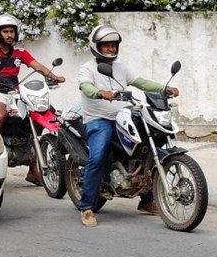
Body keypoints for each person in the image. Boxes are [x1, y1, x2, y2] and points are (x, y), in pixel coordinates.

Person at [76, 24, 178, 228]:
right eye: (106, 45)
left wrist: (164, 88)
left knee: (147, 148)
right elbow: (85, 87)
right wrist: (99, 92)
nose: (111, 49)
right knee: (97, 157)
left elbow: (142, 83)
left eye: (113, 45)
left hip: (124, 115)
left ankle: (147, 201)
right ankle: (86, 207)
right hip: (99, 119)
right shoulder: (86, 69)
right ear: (96, 46)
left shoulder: (121, 68)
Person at [0, 13, 65, 185]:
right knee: (1, 115)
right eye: (6, 32)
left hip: (14, 91)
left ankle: (33, 169)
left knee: (39, 116)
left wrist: (53, 76)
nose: (9, 35)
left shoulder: (20, 52)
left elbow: (36, 65)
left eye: (12, 31)